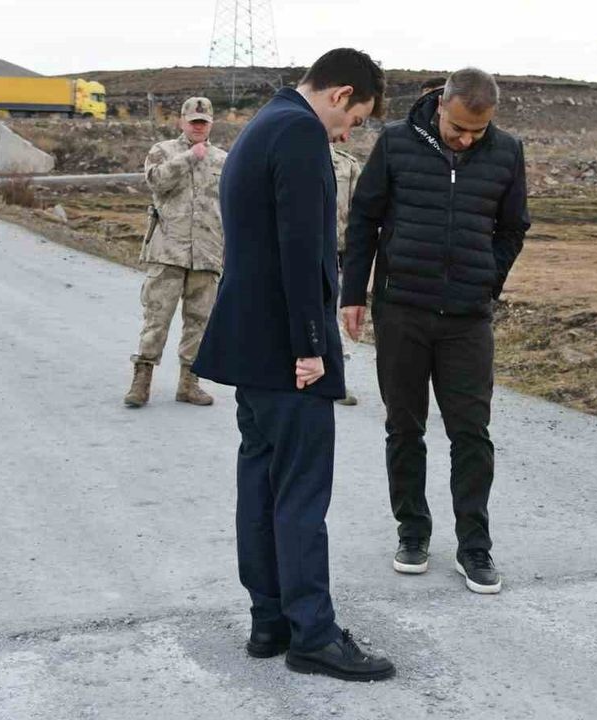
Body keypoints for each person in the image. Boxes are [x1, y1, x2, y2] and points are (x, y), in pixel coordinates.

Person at [191, 48, 395, 682]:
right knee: (301, 491)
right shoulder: (302, 133)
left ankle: (269, 620)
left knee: (260, 483)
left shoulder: (262, 123)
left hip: (251, 343)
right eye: (356, 118)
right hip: (287, 348)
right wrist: (311, 344)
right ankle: (313, 633)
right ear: (340, 94)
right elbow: (302, 247)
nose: (349, 132)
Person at [342, 67, 530, 595]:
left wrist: (486, 281)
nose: (468, 140)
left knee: (471, 433)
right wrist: (353, 294)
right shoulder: (397, 142)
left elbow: (514, 226)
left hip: (467, 319)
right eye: (459, 130)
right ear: (441, 105)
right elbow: (364, 219)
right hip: (402, 309)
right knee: (405, 428)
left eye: (478, 132)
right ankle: (413, 531)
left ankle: (475, 546)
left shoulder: (507, 151)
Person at [123, 97, 226, 408]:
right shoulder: (163, 151)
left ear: (210, 124)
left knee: (199, 321)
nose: (197, 126)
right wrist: (188, 158)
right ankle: (142, 381)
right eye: (192, 121)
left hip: (207, 253)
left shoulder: (224, 159)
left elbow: (233, 204)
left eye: (203, 122)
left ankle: (188, 382)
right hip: (168, 250)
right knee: (157, 318)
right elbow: (155, 182)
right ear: (182, 121)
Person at [331, 145, 362, 406]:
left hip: (333, 254)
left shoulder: (347, 165)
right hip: (294, 252)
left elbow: (360, 214)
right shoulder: (292, 152)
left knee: (331, 319)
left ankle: (335, 380)